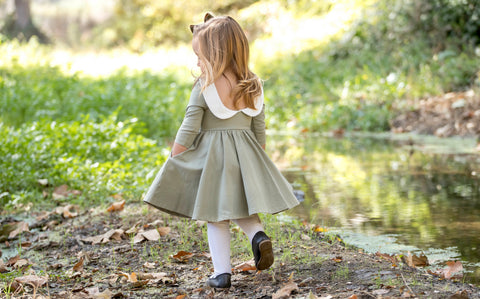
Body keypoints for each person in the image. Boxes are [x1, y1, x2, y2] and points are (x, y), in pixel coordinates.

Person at [143, 13, 299, 289]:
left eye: (200, 56)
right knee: (239, 206)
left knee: (216, 215)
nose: (197, 62)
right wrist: (257, 159)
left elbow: (189, 126)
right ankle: (258, 236)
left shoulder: (205, 86)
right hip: (247, 155)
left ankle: (221, 273)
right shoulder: (254, 85)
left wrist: (175, 156)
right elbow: (259, 128)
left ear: (216, 55)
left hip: (215, 158)